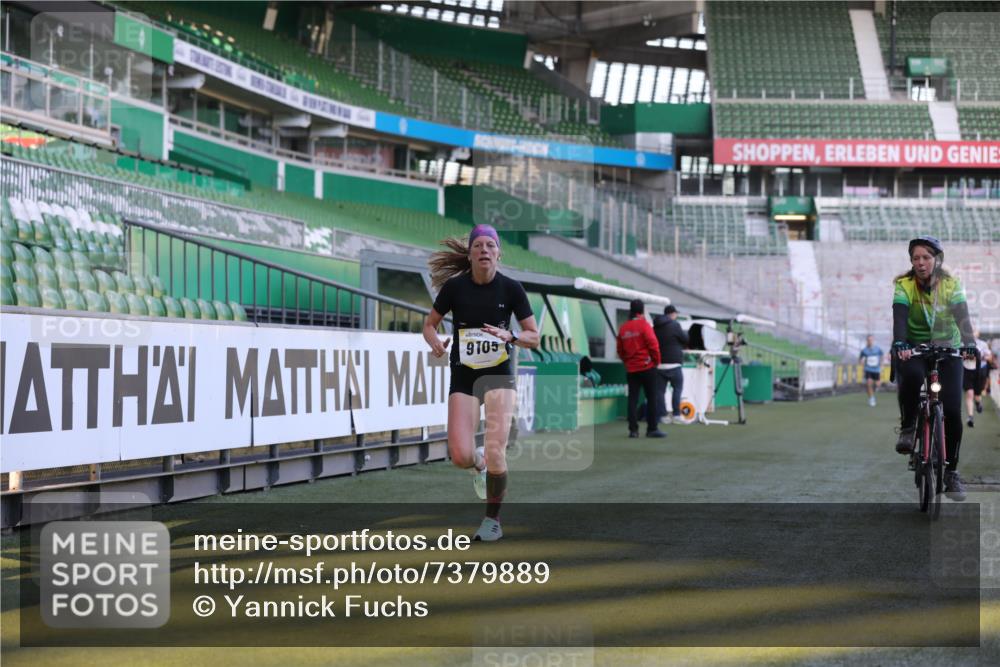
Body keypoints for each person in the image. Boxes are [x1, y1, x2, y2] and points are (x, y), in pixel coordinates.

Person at [423, 224, 539, 541]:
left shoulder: (512, 289)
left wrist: (511, 335)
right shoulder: (455, 288)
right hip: (464, 373)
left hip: (498, 375)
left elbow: (534, 336)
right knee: (460, 455)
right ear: (471, 253)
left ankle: (492, 520)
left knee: (496, 449)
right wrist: (434, 342)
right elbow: (429, 324)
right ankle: (479, 466)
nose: (484, 250)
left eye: (490, 245)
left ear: (498, 253)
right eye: (478, 245)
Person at [892, 236, 975, 501]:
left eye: (925, 257)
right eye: (915, 258)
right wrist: (900, 342)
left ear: (937, 260)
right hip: (915, 347)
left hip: (947, 347)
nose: (920, 263)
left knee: (951, 410)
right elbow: (900, 316)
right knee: (913, 375)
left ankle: (951, 472)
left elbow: (962, 315)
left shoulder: (951, 285)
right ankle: (908, 427)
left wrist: (969, 342)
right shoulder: (904, 285)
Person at [617, 299, 666, 439]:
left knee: (632, 399)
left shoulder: (623, 328)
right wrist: (656, 361)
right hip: (647, 367)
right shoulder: (644, 325)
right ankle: (652, 429)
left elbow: (620, 350)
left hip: (632, 369)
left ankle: (633, 431)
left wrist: (627, 361)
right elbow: (653, 345)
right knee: (652, 398)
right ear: (642, 310)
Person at [653, 304, 689, 423]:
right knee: (677, 389)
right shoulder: (675, 325)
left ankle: (663, 416)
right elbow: (685, 339)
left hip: (659, 364)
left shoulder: (655, 326)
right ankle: (676, 415)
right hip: (674, 363)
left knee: (660, 392)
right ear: (672, 314)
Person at [963, 328, 992, 428]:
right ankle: (970, 417)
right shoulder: (963, 343)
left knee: (977, 395)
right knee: (969, 394)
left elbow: (989, 357)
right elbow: (960, 354)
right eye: (970, 330)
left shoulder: (983, 344)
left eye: (974, 330)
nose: (972, 332)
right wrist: (965, 356)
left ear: (978, 333)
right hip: (967, 370)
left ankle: (978, 403)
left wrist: (980, 356)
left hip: (979, 371)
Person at [859, 335, 883, 407]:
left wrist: (881, 365)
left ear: (873, 340)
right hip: (868, 369)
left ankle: (874, 389)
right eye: (869, 340)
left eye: (871, 340)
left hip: (876, 369)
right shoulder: (864, 350)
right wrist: (861, 362)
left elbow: (881, 356)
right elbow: (860, 359)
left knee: (878, 384)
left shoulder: (878, 349)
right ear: (867, 341)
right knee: (869, 383)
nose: (870, 341)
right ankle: (871, 398)